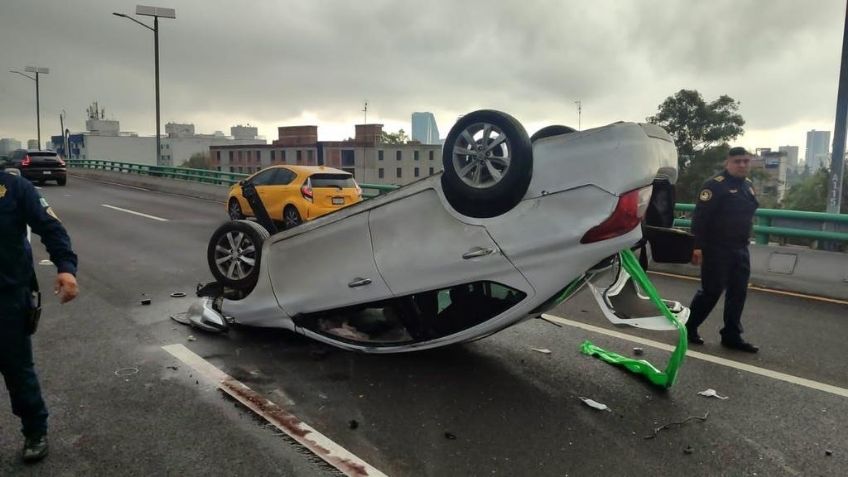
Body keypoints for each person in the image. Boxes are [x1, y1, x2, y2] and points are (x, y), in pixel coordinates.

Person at [0, 168, 79, 462]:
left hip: (7, 299)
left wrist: (66, 268)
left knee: (18, 371)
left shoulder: (14, 188)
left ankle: (35, 431)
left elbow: (51, 227)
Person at [685, 147, 759, 353]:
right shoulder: (714, 186)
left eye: (746, 161)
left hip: (740, 248)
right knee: (711, 291)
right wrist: (697, 247)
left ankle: (731, 335)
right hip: (716, 248)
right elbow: (700, 219)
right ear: (728, 162)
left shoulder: (748, 186)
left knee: (738, 292)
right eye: (737, 161)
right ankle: (689, 327)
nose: (742, 165)